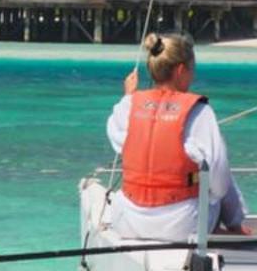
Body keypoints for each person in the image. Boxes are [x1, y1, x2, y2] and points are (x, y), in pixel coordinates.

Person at [103, 30, 247, 243]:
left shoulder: (129, 105)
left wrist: (128, 96)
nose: (193, 75)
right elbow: (220, 182)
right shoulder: (199, 112)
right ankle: (236, 228)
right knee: (217, 169)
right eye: (192, 70)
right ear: (181, 70)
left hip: (129, 221)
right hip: (181, 226)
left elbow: (117, 134)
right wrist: (211, 197)